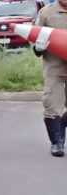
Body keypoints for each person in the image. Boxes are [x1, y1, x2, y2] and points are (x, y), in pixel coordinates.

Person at [33, 0, 67, 157]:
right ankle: (57, 142)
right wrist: (38, 47)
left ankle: (61, 124)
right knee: (52, 104)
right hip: (54, 68)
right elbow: (35, 37)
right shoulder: (46, 13)